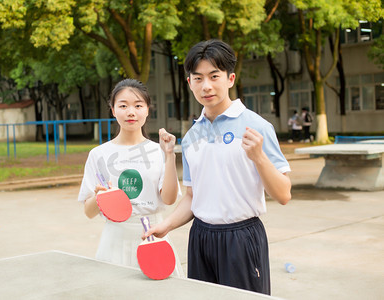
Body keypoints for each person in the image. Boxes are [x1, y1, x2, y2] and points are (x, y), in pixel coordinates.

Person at [143, 39, 291, 295]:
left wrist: (259, 157)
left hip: (242, 238)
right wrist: (166, 225)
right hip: (200, 237)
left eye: (214, 76)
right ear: (189, 83)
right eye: (198, 78)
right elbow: (191, 196)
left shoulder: (257, 127)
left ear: (230, 78)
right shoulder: (191, 138)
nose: (206, 86)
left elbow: (284, 194)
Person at [78, 78, 183, 277]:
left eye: (138, 105)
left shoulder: (159, 151)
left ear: (147, 109)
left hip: (153, 238)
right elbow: (88, 212)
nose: (131, 112)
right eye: (123, 105)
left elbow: (169, 199)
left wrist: (170, 156)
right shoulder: (98, 155)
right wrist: (98, 198)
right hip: (114, 240)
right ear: (113, 109)